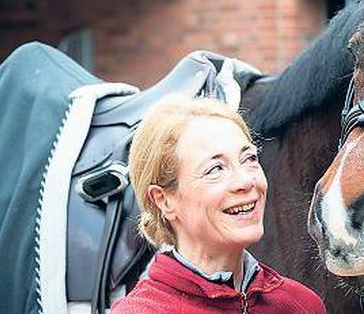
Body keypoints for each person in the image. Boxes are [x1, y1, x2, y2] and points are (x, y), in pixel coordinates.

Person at [111, 96, 325, 313]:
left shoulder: (302, 304)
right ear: (163, 200)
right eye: (215, 169)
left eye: (249, 159)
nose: (245, 181)